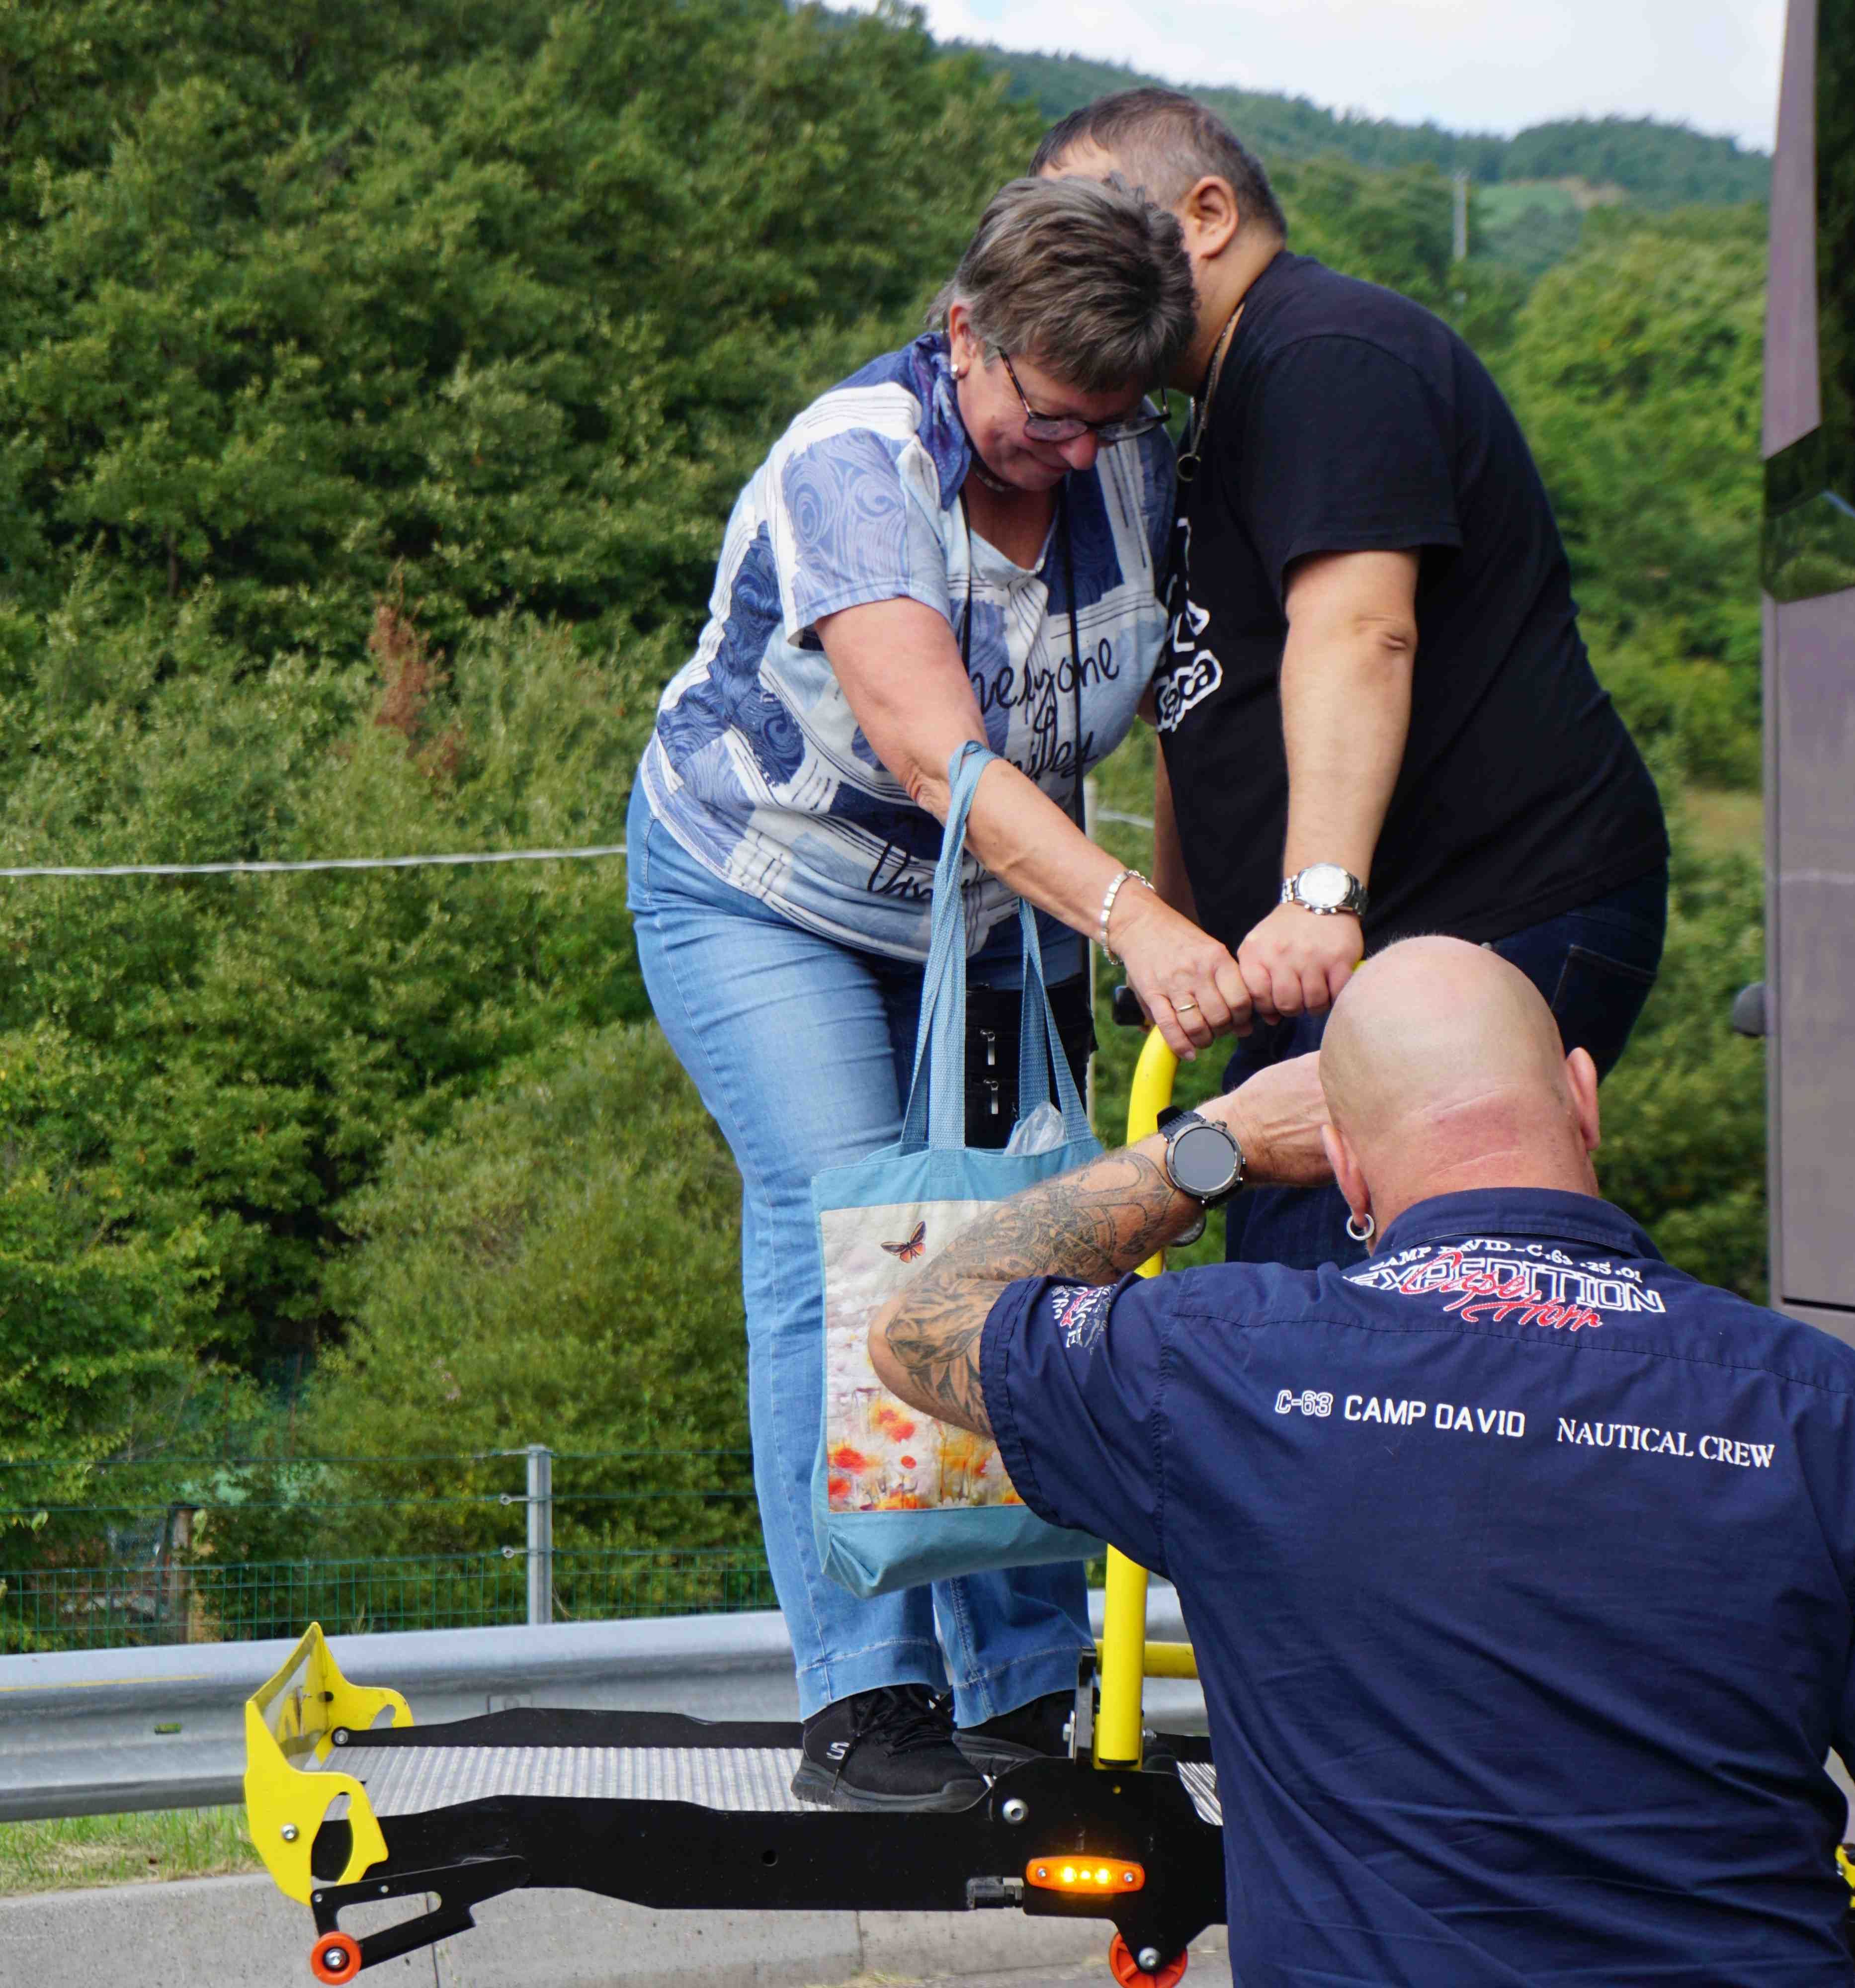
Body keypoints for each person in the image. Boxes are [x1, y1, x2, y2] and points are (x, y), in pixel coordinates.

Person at [872, 937, 1855, 1986]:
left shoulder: (1213, 1366)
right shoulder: (1829, 1410)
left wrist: (1213, 1143)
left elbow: (918, 1322)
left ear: (1345, 1170)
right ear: (1583, 1100)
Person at [626, 175, 1253, 1815]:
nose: (1075, 451)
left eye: (1107, 419)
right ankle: (862, 1704)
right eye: (1048, 417)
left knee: (1021, 1244)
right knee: (850, 1230)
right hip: (769, 890)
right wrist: (1134, 922)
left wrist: (1173, 913)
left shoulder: (1126, 459)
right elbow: (930, 746)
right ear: (964, 330)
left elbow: (1186, 710)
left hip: (990, 915)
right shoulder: (857, 466)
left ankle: (1020, 1683)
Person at [1034, 90, 1673, 1274]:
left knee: (1353, 1292)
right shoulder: (1207, 413)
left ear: (1206, 213)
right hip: (1342, 943)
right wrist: (1183, 935)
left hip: (1490, 910)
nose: (1072, 257)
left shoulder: (1324, 354)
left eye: (1093, 214)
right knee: (1297, 1277)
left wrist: (1320, 894)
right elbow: (1200, 702)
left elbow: (1358, 628)